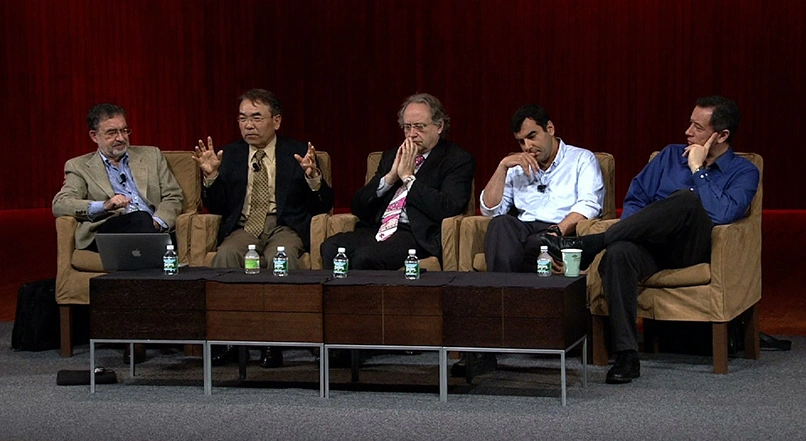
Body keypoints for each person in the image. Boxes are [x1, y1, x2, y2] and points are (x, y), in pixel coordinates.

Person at [541, 95, 760, 384]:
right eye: (689, 124)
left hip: (694, 250)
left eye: (697, 127)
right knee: (618, 253)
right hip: (649, 247)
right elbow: (635, 200)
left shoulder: (744, 171)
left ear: (721, 135)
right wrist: (633, 232)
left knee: (686, 200)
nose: (688, 132)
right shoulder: (668, 156)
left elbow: (723, 214)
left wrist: (698, 170)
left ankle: (594, 243)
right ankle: (627, 355)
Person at [193, 89, 334, 368]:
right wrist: (210, 177)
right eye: (243, 118)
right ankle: (230, 340)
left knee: (281, 260)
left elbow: (323, 205)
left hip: (283, 227)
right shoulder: (229, 154)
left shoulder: (296, 153)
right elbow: (217, 207)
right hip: (244, 226)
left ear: (277, 121)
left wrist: (314, 178)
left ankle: (276, 340)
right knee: (227, 257)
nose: (248, 125)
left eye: (257, 117)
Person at [320, 93, 475, 270]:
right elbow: (359, 207)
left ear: (439, 126)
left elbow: (448, 207)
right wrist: (390, 177)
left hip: (416, 235)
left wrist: (409, 179)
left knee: (365, 257)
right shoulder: (392, 156)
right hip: (378, 230)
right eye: (407, 127)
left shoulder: (456, 159)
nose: (411, 134)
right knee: (330, 247)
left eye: (419, 127)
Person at [480, 104, 605, 272]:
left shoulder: (581, 159)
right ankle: (503, 292)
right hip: (525, 229)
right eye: (521, 141)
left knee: (534, 244)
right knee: (500, 224)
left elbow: (589, 205)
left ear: (550, 129)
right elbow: (491, 210)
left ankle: (507, 289)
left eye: (532, 136)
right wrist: (502, 167)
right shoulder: (516, 167)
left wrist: (556, 232)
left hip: (561, 230)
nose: (527, 146)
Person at [53, 103, 184, 251]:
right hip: (110, 230)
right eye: (112, 133)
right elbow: (60, 203)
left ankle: (152, 253)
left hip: (152, 227)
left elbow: (173, 195)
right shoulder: (79, 166)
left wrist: (158, 222)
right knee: (140, 218)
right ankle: (161, 254)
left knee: (143, 220)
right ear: (94, 136)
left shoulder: (151, 155)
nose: (121, 138)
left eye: (124, 130)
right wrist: (104, 205)